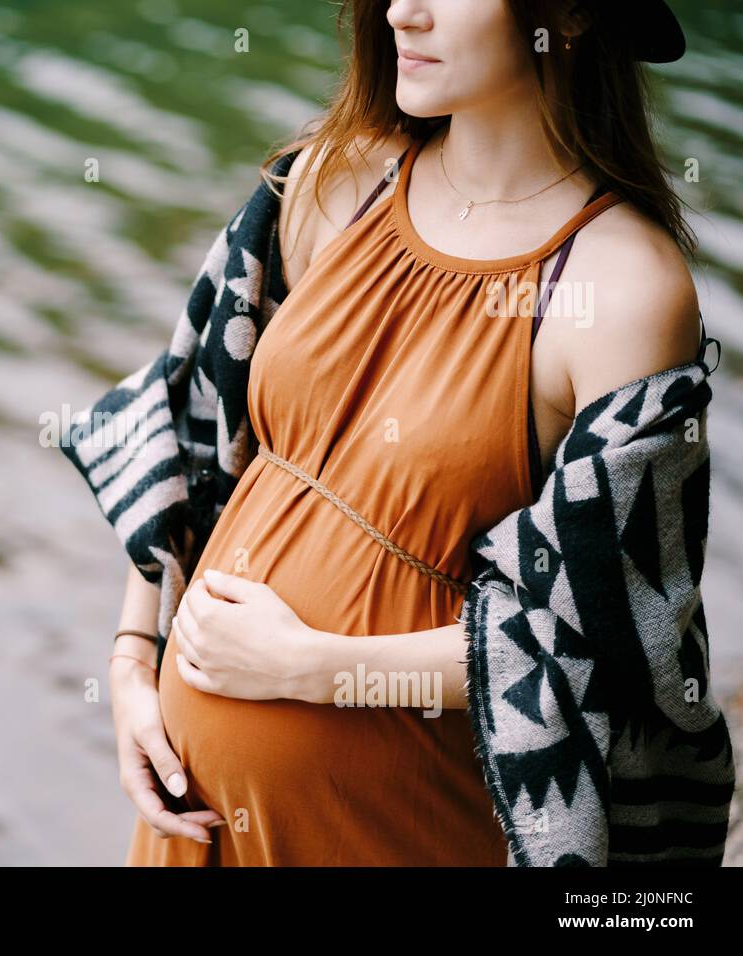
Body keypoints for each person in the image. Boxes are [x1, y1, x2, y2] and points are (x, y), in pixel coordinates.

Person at [107, 0, 707, 865]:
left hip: (391, 825)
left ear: (568, 12)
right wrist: (133, 658)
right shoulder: (335, 181)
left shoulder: (622, 291)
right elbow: (186, 416)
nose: (401, 10)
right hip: (187, 812)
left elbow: (604, 640)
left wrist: (307, 668)